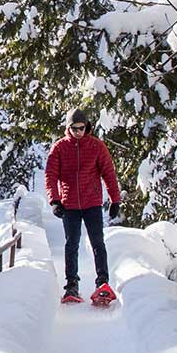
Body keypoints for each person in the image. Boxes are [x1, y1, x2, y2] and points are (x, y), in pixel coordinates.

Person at [45, 108, 122, 305]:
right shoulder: (59, 148)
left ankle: (102, 283)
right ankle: (71, 285)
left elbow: (109, 173)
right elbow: (51, 175)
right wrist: (55, 200)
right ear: (68, 128)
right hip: (69, 204)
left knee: (98, 242)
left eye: (81, 128)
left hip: (92, 203)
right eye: (74, 128)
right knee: (71, 244)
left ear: (87, 127)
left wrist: (115, 200)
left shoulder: (96, 146)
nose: (78, 132)